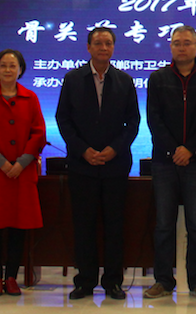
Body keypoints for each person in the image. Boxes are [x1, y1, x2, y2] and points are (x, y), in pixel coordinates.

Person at [56, 27, 141, 300]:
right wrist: (83, 150)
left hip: (115, 166)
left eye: (108, 43)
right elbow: (63, 119)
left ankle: (113, 282)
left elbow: (133, 122)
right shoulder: (73, 79)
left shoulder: (124, 80)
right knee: (84, 226)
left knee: (115, 226)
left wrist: (115, 149)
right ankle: (85, 281)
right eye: (98, 43)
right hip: (82, 166)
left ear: (113, 48)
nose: (103, 47)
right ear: (88, 47)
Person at [144, 25, 196, 300]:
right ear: (171, 47)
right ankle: (163, 280)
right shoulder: (158, 78)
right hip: (164, 163)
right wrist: (174, 149)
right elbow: (154, 119)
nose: (181, 47)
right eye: (177, 43)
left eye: (187, 43)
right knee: (164, 224)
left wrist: (190, 149)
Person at [0, 48, 47, 297]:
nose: (8, 70)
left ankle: (12, 277)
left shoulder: (30, 97)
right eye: (3, 65)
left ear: (21, 70)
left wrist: (21, 162)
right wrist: (2, 163)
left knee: (18, 226)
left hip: (21, 173)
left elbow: (38, 133)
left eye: (13, 66)